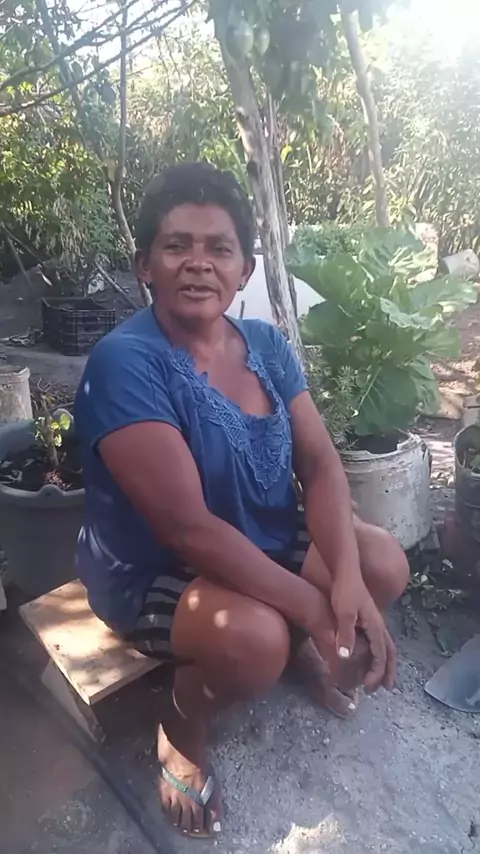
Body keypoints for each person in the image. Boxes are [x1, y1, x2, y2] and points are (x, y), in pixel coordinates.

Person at [75, 162, 409, 839]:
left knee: (382, 563)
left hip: (263, 531)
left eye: (219, 248)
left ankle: (301, 645)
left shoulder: (263, 344)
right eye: (177, 245)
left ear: (245, 269)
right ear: (145, 264)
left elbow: (320, 463)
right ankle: (182, 723)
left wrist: (346, 586)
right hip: (157, 567)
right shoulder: (125, 363)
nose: (199, 263)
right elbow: (189, 531)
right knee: (256, 640)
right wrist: (316, 608)